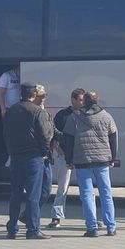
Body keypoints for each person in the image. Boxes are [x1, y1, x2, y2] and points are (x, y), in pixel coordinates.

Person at [62, 89, 118, 238]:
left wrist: (69, 159)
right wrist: (113, 158)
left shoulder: (74, 117)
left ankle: (92, 227)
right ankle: (111, 227)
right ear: (97, 101)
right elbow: (113, 138)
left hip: (82, 160)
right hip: (102, 160)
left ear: (84, 101)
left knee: (86, 194)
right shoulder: (106, 116)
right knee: (106, 193)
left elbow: (67, 140)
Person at [3, 82, 53, 239]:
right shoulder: (38, 112)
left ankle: (12, 229)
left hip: (16, 157)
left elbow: (5, 134)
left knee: (15, 194)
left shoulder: (11, 111)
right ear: (33, 95)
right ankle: (32, 230)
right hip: (33, 157)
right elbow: (45, 136)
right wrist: (44, 153)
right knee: (33, 195)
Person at [47, 87, 84, 228]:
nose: (82, 103)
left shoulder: (85, 115)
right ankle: (56, 216)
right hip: (65, 155)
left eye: (83, 100)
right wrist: (58, 148)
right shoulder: (63, 115)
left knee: (86, 189)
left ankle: (90, 217)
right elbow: (53, 133)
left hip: (81, 156)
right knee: (62, 187)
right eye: (80, 100)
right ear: (73, 100)